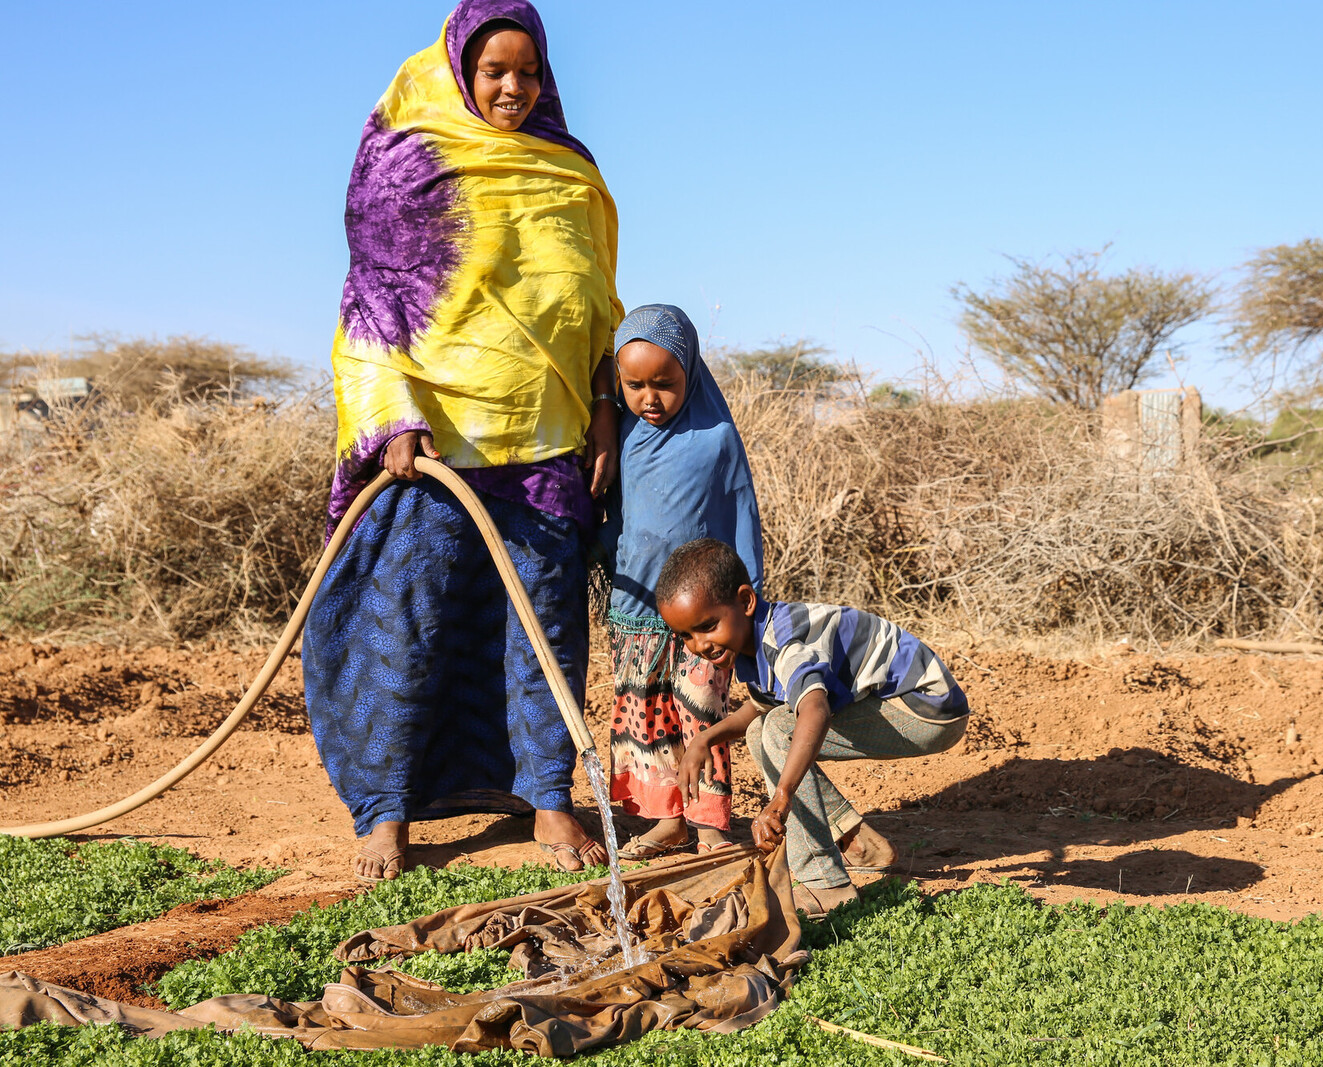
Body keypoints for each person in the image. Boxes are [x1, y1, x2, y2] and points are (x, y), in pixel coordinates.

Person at [303, 0, 624, 881]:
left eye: (528, 71)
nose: (514, 88)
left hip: (549, 437)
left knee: (546, 626)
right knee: (405, 624)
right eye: (495, 72)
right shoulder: (408, 160)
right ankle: (387, 812)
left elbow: (597, 302)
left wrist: (602, 403)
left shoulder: (570, 170)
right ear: (460, 69)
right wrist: (392, 417)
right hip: (434, 443)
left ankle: (549, 799)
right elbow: (368, 300)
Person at [658, 539, 969, 915]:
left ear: (745, 602)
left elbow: (815, 711)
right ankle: (855, 841)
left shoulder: (784, 642)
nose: (700, 645)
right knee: (764, 728)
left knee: (778, 730)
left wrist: (781, 797)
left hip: (926, 708)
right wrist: (705, 738)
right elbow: (758, 709)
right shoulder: (755, 639)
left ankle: (825, 885)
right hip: (913, 705)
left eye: (707, 626)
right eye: (686, 636)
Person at [598, 305, 761, 860]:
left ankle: (711, 824)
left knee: (700, 713)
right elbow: (618, 519)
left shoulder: (715, 439)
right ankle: (667, 817)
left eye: (664, 384)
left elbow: (743, 511)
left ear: (690, 370)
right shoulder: (625, 436)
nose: (649, 398)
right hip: (635, 602)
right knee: (648, 715)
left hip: (702, 616)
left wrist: (750, 599)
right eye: (634, 385)